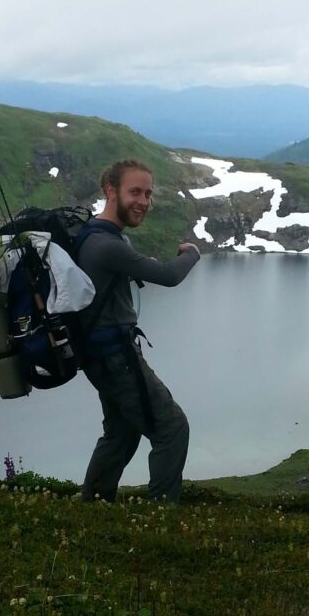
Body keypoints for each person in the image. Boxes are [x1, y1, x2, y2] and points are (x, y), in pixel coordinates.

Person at [76, 159, 200, 503]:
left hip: (99, 356)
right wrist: (192, 252)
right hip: (116, 357)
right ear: (110, 191)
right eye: (135, 191)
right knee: (172, 428)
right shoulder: (106, 245)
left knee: (121, 432)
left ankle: (94, 505)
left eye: (148, 193)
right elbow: (169, 275)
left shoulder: (94, 236)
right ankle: (159, 518)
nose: (143, 201)